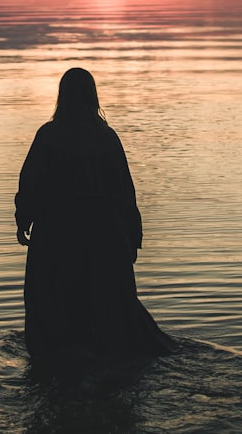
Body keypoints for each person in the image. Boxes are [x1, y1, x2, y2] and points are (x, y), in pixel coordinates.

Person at [14, 67, 175, 360]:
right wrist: (131, 236)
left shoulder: (49, 136)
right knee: (109, 309)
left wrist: (23, 219)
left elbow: (31, 182)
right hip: (105, 234)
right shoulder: (106, 137)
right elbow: (125, 191)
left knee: (55, 305)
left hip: (57, 235)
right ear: (93, 96)